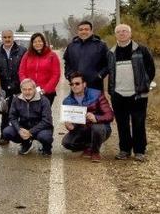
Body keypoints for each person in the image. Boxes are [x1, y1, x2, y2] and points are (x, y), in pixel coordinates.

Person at [107, 24, 155, 161]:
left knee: (138, 123)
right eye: (118, 32)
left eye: (124, 31)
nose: (122, 34)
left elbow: (150, 69)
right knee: (122, 124)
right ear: (115, 35)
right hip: (118, 94)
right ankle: (124, 150)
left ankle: (139, 151)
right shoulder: (111, 52)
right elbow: (110, 72)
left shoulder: (141, 50)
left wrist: (143, 85)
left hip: (138, 95)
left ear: (130, 33)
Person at [61, 72, 114, 162]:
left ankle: (95, 152)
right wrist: (70, 127)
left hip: (100, 128)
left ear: (84, 84)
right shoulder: (67, 101)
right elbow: (72, 123)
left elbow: (110, 115)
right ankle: (89, 146)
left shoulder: (97, 94)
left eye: (77, 83)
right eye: (71, 84)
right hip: (83, 129)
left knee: (97, 128)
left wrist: (96, 118)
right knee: (66, 143)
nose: (74, 86)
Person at [0, 30, 27, 146]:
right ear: (2, 38)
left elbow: (25, 68)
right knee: (5, 114)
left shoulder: (22, 51)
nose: (7, 39)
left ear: (13, 38)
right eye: (5, 37)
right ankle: (4, 136)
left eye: (9, 37)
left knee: (22, 114)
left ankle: (24, 138)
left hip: (19, 88)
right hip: (5, 89)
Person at [3, 79, 54, 156]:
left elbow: (47, 121)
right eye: (24, 89)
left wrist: (31, 132)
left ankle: (46, 147)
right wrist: (19, 130)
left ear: (34, 89)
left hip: (40, 128)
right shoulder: (16, 99)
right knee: (7, 132)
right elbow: (12, 117)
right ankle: (26, 143)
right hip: (24, 127)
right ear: (21, 89)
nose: (27, 92)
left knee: (45, 137)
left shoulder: (44, 100)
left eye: (30, 89)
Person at [64, 20, 109, 92]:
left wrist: (99, 76)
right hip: (76, 86)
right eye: (81, 30)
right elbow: (67, 63)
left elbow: (107, 64)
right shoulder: (71, 46)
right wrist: (69, 75)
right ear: (78, 32)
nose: (83, 32)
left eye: (86, 29)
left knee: (94, 104)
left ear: (91, 31)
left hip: (95, 87)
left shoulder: (101, 45)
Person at [18, 32, 60, 106]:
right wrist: (27, 86)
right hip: (30, 92)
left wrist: (45, 89)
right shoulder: (27, 55)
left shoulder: (52, 55)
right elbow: (21, 72)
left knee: (44, 115)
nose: (37, 43)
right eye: (35, 42)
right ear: (32, 44)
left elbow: (56, 74)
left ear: (43, 42)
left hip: (47, 93)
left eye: (39, 41)